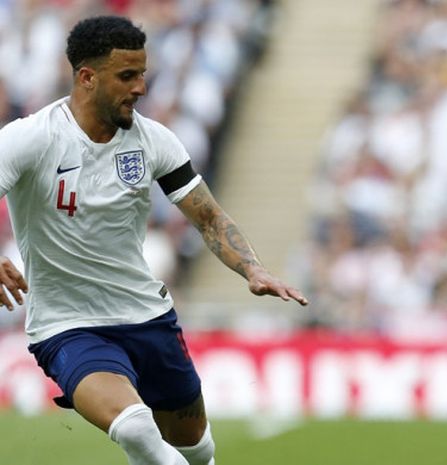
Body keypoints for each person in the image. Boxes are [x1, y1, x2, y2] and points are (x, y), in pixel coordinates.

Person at [0, 15, 308, 465]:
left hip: (148, 318)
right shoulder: (30, 139)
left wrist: (252, 268)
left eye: (143, 74)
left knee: (197, 451)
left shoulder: (154, 141)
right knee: (138, 431)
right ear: (87, 77)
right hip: (68, 327)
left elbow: (208, 218)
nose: (141, 87)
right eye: (127, 76)